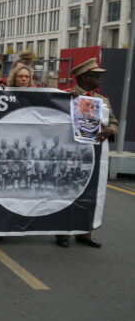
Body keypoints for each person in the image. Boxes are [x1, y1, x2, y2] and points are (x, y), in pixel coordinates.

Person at [55, 58, 118, 249]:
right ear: (84, 78)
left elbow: (114, 123)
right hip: (70, 154)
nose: (100, 78)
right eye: (96, 75)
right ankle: (63, 232)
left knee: (91, 194)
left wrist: (110, 130)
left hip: (94, 156)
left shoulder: (103, 100)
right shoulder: (66, 97)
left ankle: (85, 232)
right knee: (68, 192)